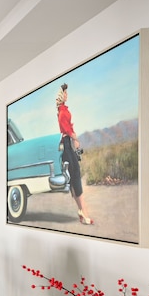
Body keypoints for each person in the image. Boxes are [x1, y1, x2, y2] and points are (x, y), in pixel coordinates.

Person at [56, 83, 94, 225]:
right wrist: (75, 138)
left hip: (69, 142)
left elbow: (69, 126)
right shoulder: (61, 112)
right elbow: (65, 127)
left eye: (67, 93)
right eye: (65, 93)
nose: (67, 95)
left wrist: (74, 136)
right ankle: (83, 212)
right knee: (75, 176)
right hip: (66, 143)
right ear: (61, 96)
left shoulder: (64, 109)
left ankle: (82, 211)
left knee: (75, 175)